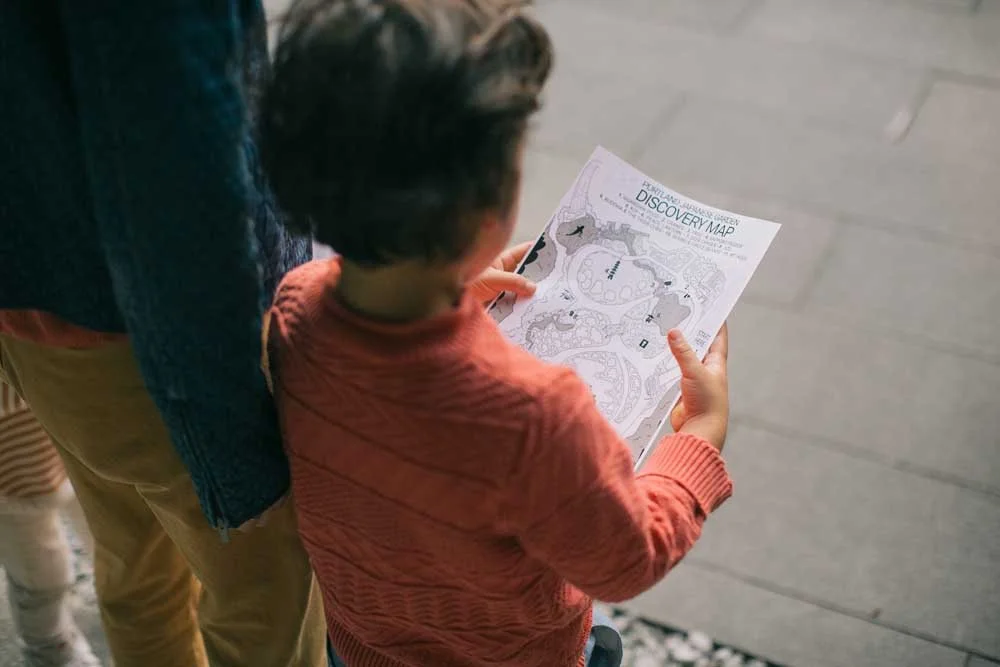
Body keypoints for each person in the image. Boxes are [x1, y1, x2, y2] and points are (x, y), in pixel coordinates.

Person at [260, 1, 734, 665]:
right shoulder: (534, 413)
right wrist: (699, 438)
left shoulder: (295, 312)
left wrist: (449, 288)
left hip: (360, 647)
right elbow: (627, 560)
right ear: (489, 210)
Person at [0, 1, 326, 666]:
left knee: (133, 564)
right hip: (169, 342)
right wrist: (232, 450)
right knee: (270, 602)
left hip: (40, 313)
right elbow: (175, 174)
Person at [0, 382, 101, 667]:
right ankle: (52, 651)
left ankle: (144, 621)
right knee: (42, 576)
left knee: (115, 551)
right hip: (7, 488)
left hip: (69, 445)